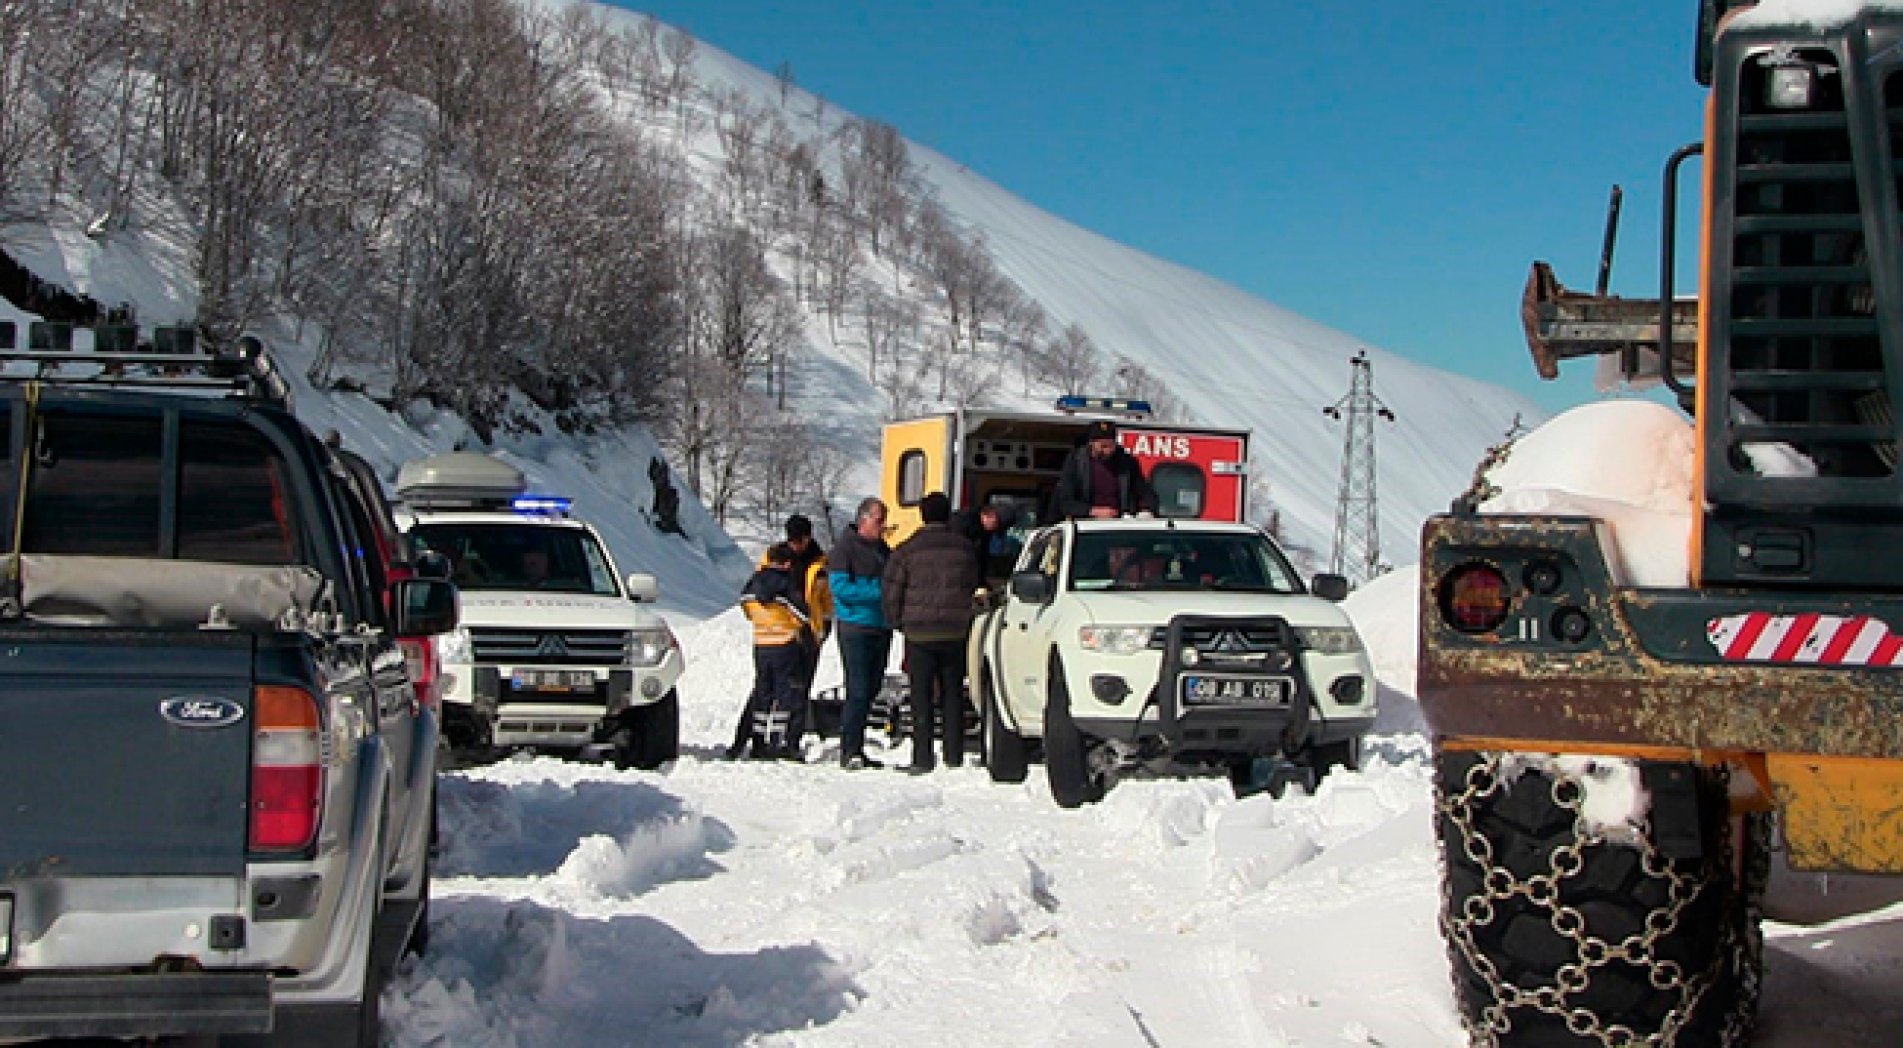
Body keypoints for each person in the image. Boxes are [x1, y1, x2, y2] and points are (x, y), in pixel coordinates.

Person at [882, 491, 983, 773]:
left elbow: (891, 590)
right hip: (955, 631)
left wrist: (898, 622)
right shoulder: (964, 549)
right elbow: (973, 583)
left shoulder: (906, 550)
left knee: (921, 696)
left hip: (918, 633)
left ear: (922, 515)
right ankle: (954, 754)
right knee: (952, 693)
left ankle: (922, 757)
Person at [827, 497, 894, 770]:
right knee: (858, 688)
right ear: (863, 520)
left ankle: (858, 746)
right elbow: (841, 588)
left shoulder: (883, 550)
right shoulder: (844, 550)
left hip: (881, 626)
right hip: (855, 627)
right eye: (879, 521)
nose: (883, 526)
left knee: (872, 687)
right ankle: (849, 749)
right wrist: (880, 593)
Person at [731, 543, 814, 760]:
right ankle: (777, 741)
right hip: (784, 643)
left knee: (763, 692)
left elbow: (745, 605)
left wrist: (760, 620)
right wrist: (792, 624)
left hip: (761, 643)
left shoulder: (754, 582)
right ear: (788, 563)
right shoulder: (786, 584)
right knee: (784, 694)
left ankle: (758, 741)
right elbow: (803, 614)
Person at [781, 514, 832, 743]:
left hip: (810, 634)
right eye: (791, 540)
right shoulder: (776, 557)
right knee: (770, 688)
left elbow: (827, 601)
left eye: (798, 541)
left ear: (808, 538)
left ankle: (794, 738)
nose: (794, 546)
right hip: (781, 632)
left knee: (802, 688)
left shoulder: (820, 564)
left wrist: (824, 629)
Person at [1054, 419, 1157, 520]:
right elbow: (1065, 502)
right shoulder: (1075, 462)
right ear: (1091, 443)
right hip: (1086, 524)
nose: (1108, 451)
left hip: (1120, 522)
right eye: (1103, 446)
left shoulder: (1127, 463)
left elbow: (1145, 492)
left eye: (1111, 446)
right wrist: (1092, 511)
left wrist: (1146, 510)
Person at [975, 503, 1023, 585]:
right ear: (992, 517)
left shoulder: (986, 534)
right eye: (999, 526)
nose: (996, 532)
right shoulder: (966, 525)